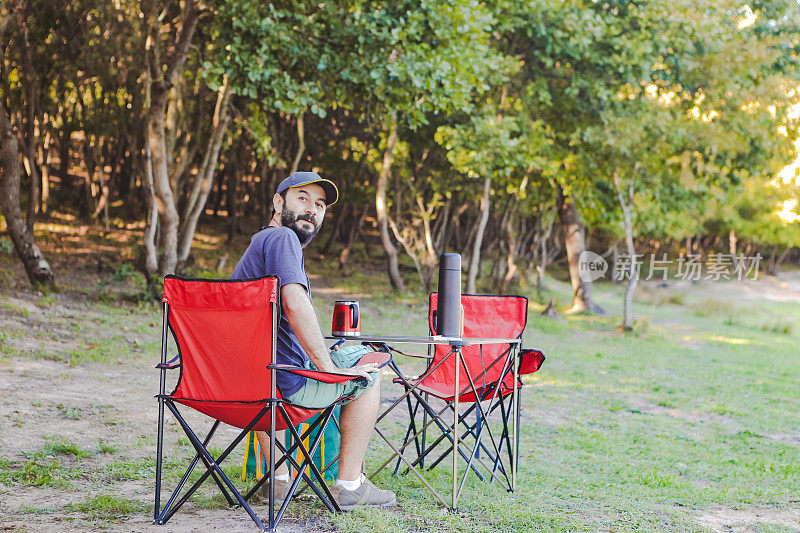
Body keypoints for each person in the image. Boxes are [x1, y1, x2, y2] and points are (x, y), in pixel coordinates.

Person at [231, 171, 396, 510]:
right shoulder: (283, 241)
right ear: (279, 202)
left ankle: (278, 479)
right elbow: (294, 301)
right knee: (370, 367)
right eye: (302, 198)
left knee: (269, 369)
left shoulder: (256, 246)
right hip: (286, 388)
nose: (311, 210)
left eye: (319, 205)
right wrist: (327, 368)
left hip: (245, 386)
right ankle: (350, 485)